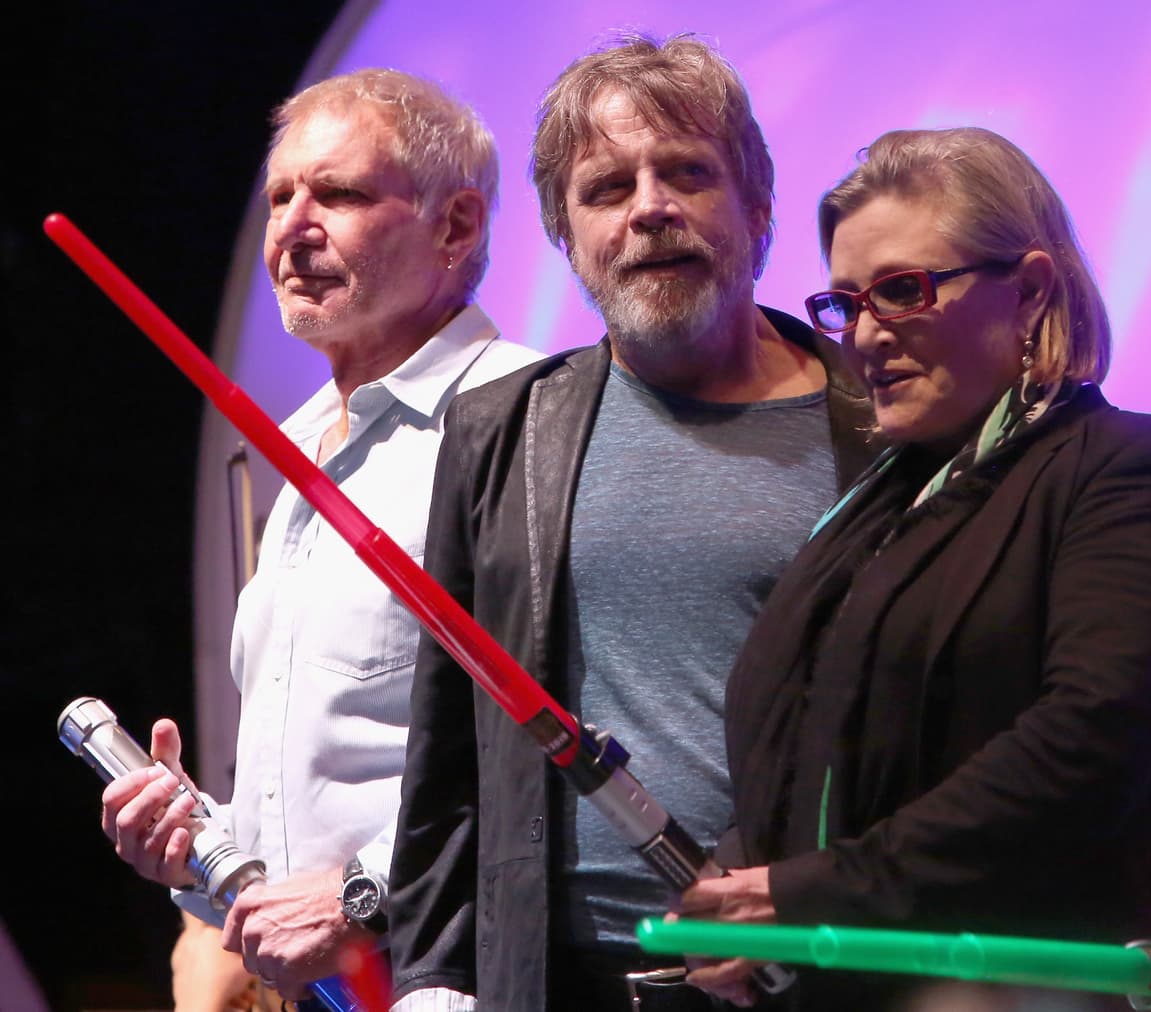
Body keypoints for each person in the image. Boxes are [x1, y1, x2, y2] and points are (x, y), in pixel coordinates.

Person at [675, 126, 1151, 1011]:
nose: (864, 335)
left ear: (1028, 290)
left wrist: (810, 894)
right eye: (845, 304)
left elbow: (1093, 748)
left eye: (903, 291)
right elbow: (816, 745)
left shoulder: (1141, 471)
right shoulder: (873, 503)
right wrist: (750, 888)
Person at [387, 33, 878, 1012]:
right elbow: (448, 747)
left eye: (687, 173)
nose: (650, 207)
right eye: (607, 188)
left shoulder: (883, 422)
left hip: (818, 968)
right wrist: (433, 977)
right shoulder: (499, 433)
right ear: (566, 238)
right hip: (560, 975)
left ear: (758, 206)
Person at [97, 68, 542, 1006]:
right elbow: (315, 808)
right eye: (279, 197)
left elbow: (551, 741)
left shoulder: (528, 417)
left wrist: (360, 897)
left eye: (336, 193)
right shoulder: (292, 448)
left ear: (456, 227)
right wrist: (198, 848)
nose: (294, 227)